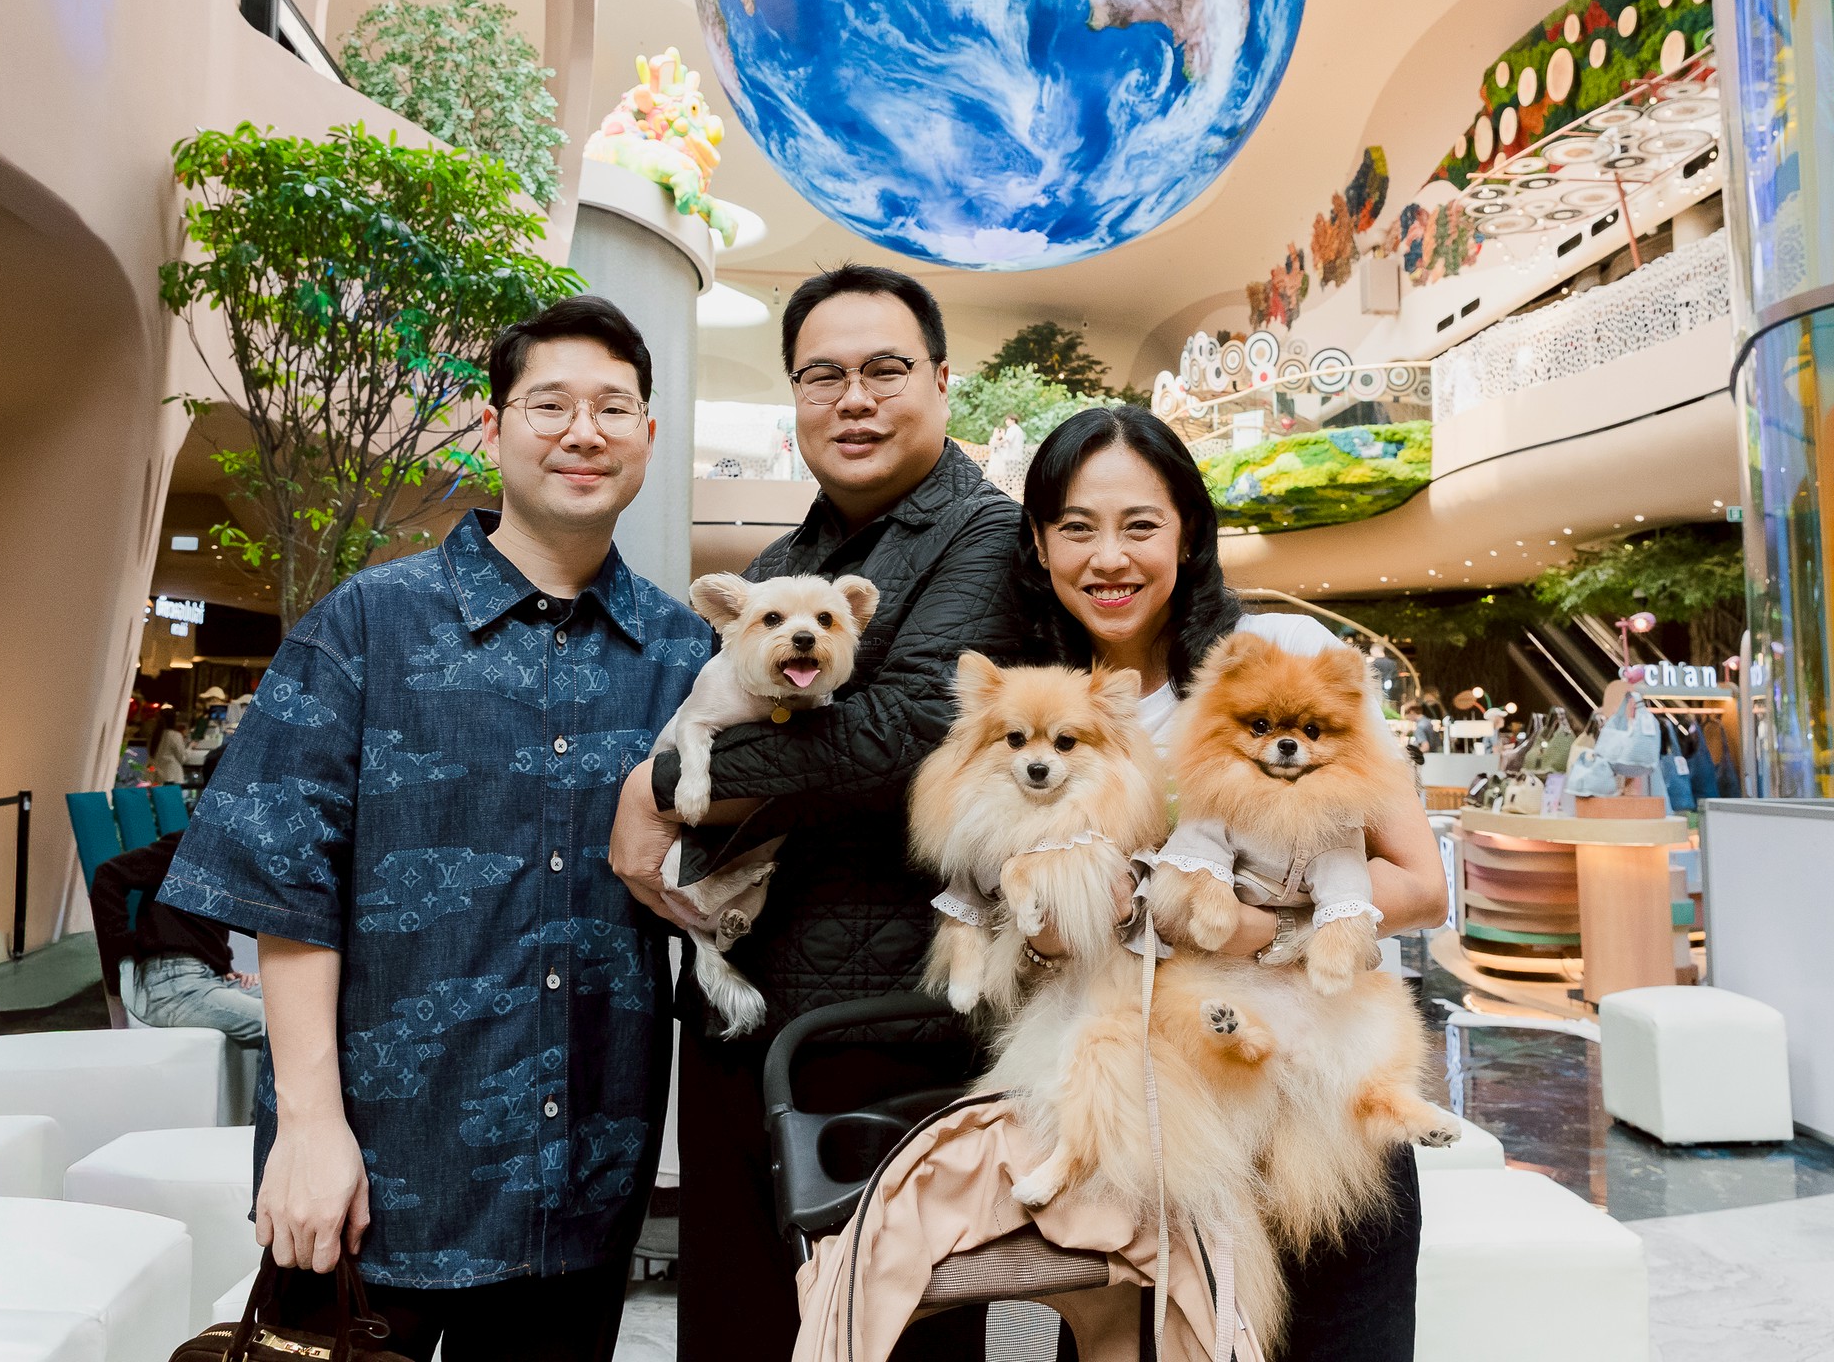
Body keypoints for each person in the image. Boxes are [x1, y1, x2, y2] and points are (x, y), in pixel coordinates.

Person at [161, 296, 713, 1362]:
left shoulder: (686, 657)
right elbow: (286, 890)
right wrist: (309, 1127)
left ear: (648, 436)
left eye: (613, 408)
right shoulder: (368, 623)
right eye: (550, 405)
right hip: (374, 1183)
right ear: (494, 427)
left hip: (582, 1194)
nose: (584, 432)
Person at [608, 263, 1021, 1362]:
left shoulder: (986, 536)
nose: (854, 399)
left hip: (889, 1028)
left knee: (890, 1335)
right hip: (742, 1023)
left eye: (886, 369)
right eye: (822, 376)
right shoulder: (784, 562)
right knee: (735, 1326)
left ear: (942, 381)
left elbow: (904, 733)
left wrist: (656, 787)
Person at [1014, 404, 1447, 1362]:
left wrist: (1266, 929)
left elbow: (1421, 885)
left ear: (1187, 534)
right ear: (1040, 545)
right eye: (1077, 528)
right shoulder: (1041, 707)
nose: (1109, 558)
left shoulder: (1277, 654)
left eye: (1140, 525)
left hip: (1324, 1118)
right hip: (1153, 1135)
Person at [90, 829, 263, 1046]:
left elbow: (197, 929)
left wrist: (222, 968)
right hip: (172, 984)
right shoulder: (193, 845)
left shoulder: (236, 860)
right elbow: (108, 874)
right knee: (283, 1025)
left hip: (208, 978)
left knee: (298, 1006)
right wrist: (123, 959)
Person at [153, 718, 200, 786]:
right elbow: (182, 758)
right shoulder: (174, 735)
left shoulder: (156, 735)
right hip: (172, 777)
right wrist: (190, 747)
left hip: (159, 777)